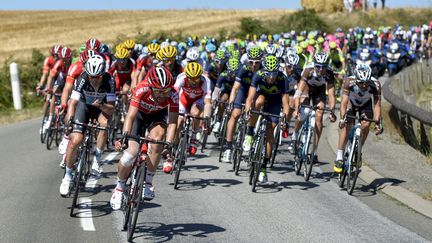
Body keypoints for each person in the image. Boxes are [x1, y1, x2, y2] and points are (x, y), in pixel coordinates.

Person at [110, 66, 178, 209]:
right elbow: (130, 116)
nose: (163, 94)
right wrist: (125, 136)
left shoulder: (173, 94)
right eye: (159, 91)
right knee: (130, 155)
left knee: (158, 140)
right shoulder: (142, 88)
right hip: (138, 116)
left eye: (166, 91)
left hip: (157, 116)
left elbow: (172, 122)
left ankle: (148, 182)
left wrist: (169, 145)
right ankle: (119, 188)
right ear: (151, 86)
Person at [60, 55, 115, 196]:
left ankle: (97, 158)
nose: (93, 79)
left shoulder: (109, 81)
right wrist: (70, 121)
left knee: (104, 124)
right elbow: (72, 103)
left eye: (96, 77)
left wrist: (102, 105)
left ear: (102, 74)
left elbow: (111, 109)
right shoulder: (83, 78)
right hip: (84, 107)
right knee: (76, 141)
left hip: (101, 108)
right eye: (91, 76)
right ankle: (68, 175)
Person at [244, 55, 292, 182]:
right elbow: (250, 98)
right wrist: (248, 112)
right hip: (262, 95)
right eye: (268, 74)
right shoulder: (258, 74)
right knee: (258, 102)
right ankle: (250, 132)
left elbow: (286, 104)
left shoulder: (283, 78)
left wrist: (285, 121)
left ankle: (264, 168)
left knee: (270, 132)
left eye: (274, 74)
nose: (271, 77)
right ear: (263, 71)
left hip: (275, 101)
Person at [333, 64, 383, 173]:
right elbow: (343, 103)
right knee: (347, 124)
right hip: (351, 103)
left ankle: (358, 150)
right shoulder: (349, 81)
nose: (364, 85)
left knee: (366, 125)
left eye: (366, 82)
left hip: (366, 104)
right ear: (356, 79)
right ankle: (339, 156)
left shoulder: (376, 85)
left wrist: (378, 122)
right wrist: (342, 119)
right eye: (361, 83)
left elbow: (377, 105)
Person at [292, 52, 337, 163]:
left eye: (323, 67)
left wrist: (332, 111)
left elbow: (331, 95)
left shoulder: (329, 73)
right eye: (318, 66)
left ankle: (314, 150)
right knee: (303, 112)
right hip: (307, 88)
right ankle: (295, 134)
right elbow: (298, 92)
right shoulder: (308, 70)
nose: (321, 69)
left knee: (319, 115)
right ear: (314, 65)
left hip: (319, 91)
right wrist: (297, 109)